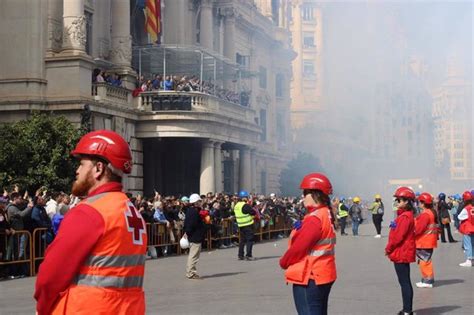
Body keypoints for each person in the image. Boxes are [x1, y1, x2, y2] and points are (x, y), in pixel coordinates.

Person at [34, 130, 147, 315]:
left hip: (89, 308)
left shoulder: (89, 211)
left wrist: (43, 308)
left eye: (82, 164)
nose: (77, 170)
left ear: (98, 168)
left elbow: (50, 276)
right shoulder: (131, 212)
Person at [280, 173, 336, 315]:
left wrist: (284, 261)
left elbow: (299, 247)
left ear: (315, 194)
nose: (303, 196)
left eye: (305, 193)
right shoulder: (325, 213)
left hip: (309, 275)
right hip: (323, 273)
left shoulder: (314, 219)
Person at [385, 186, 416, 315]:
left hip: (401, 252)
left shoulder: (404, 217)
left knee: (404, 282)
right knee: (404, 281)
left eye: (399, 200)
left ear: (406, 201)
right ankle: (407, 309)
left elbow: (398, 237)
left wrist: (388, 248)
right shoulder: (404, 215)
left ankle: (407, 310)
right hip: (402, 252)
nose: (397, 202)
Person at [414, 193, 438, 288]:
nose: (418, 203)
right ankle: (426, 279)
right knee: (425, 260)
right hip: (429, 241)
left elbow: (419, 229)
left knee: (424, 261)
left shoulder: (425, 214)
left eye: (419, 202)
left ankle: (428, 281)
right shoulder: (431, 212)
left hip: (424, 241)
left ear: (423, 203)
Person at [183, 193, 207, 279]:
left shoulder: (191, 210)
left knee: (194, 255)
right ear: (196, 202)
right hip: (195, 236)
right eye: (199, 201)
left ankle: (191, 272)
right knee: (193, 256)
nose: (201, 202)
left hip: (194, 236)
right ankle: (190, 273)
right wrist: (187, 233)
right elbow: (191, 225)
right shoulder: (193, 212)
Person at [234, 190, 256, 261]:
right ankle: (248, 255)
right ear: (244, 198)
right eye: (246, 197)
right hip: (248, 225)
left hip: (240, 225)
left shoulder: (236, 205)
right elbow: (253, 212)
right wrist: (251, 206)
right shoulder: (245, 205)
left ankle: (240, 255)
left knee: (242, 241)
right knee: (249, 240)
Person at [457, 191, 473, 267]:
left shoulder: (466, 208)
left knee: (467, 245)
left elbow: (459, 216)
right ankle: (472, 259)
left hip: (467, 229)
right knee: (472, 245)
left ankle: (469, 260)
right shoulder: (473, 207)